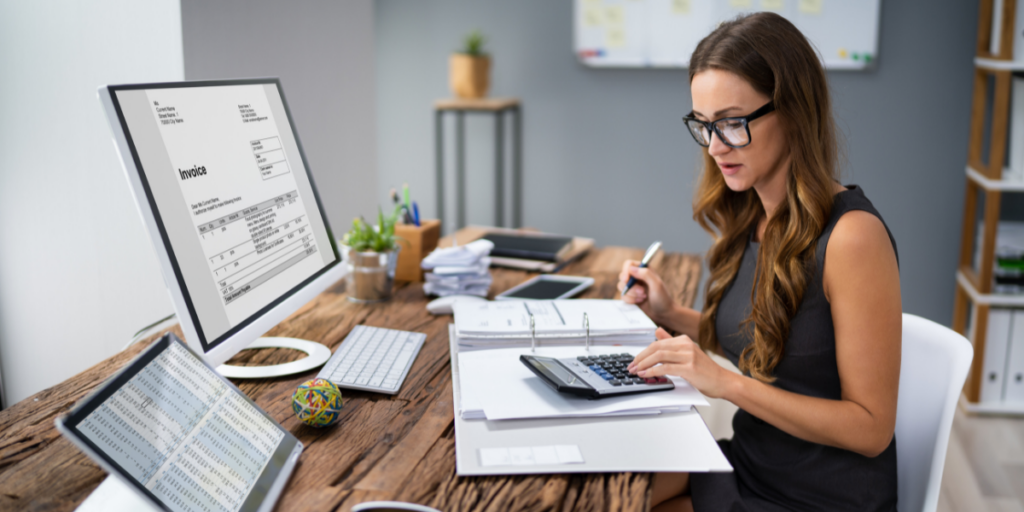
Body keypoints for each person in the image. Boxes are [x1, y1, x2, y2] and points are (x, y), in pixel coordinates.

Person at [618, 12, 901, 512]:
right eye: (703, 125)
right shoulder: (758, 215)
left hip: (818, 496)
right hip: (751, 460)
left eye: (731, 122)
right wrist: (670, 314)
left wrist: (727, 383)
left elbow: (871, 429)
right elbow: (771, 347)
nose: (715, 147)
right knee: (605, 493)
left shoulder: (853, 238)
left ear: (793, 111)